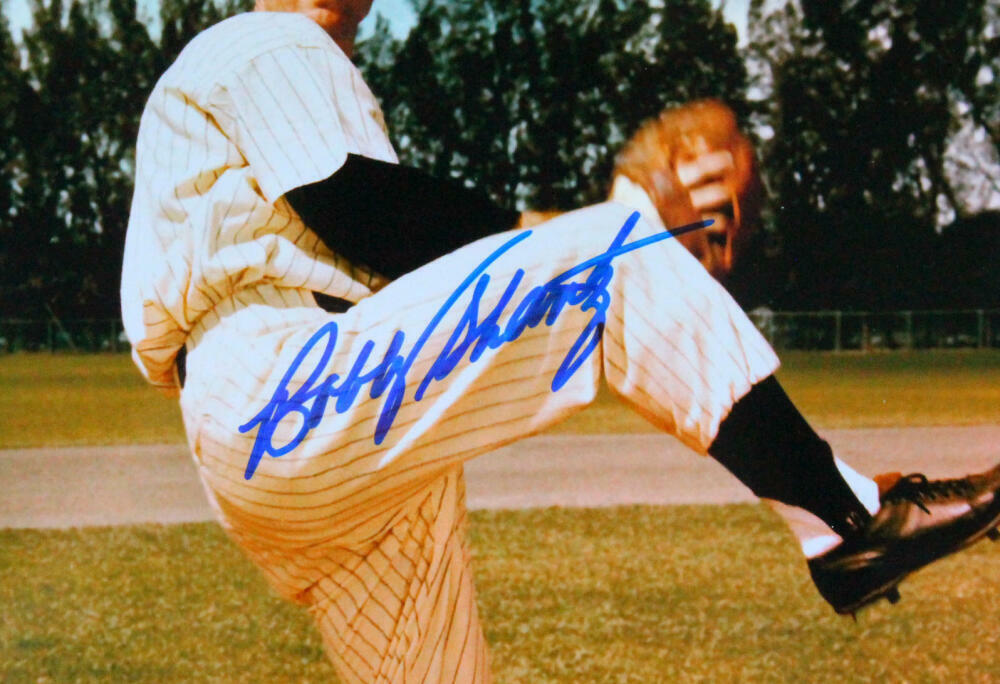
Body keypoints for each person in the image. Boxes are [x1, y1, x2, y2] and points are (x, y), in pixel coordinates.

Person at [121, 1, 1000, 681]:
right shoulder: (264, 42)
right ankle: (844, 518)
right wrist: (600, 230)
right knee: (617, 254)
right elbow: (363, 208)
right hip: (283, 384)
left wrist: (584, 245)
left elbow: (413, 253)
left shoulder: (299, 80)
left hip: (337, 450)